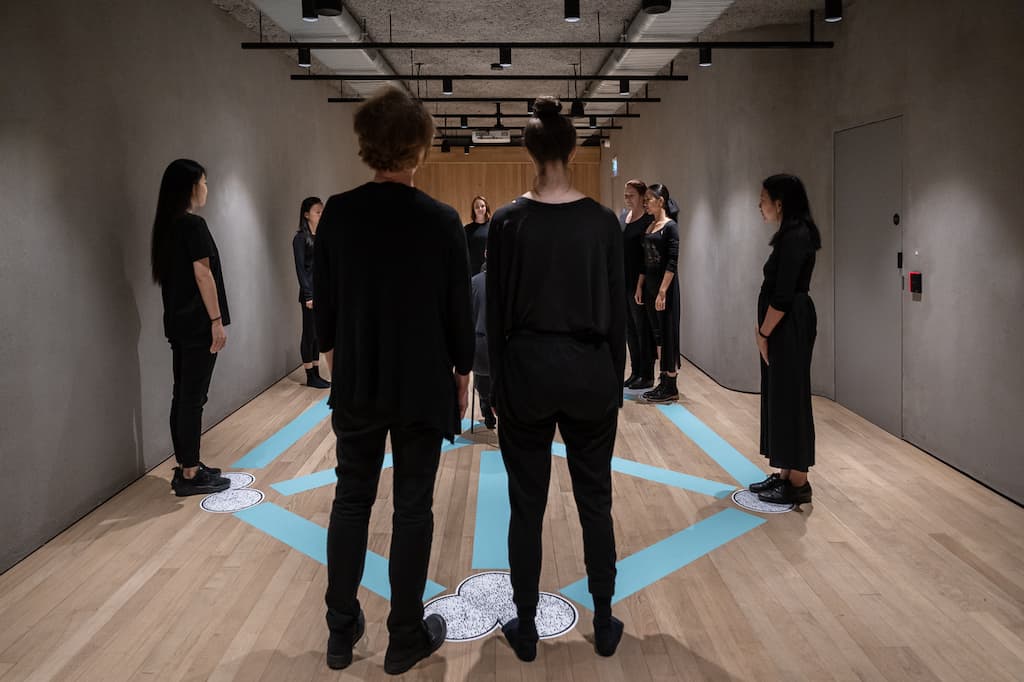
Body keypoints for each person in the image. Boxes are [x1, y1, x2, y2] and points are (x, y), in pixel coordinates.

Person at [314, 86, 474, 675]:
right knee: (413, 508)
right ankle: (404, 635)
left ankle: (339, 630)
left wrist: (334, 357)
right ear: (420, 148)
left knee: (350, 499)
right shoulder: (440, 221)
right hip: (421, 382)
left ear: (366, 145)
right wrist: (462, 373)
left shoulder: (337, 212)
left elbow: (323, 305)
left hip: (358, 379)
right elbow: (459, 311)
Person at [487, 96, 625, 662]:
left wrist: (496, 384)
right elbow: (617, 314)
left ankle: (525, 626)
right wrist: (613, 380)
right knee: (596, 500)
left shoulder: (507, 222)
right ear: (573, 150)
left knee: (527, 504)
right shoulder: (600, 222)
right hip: (591, 371)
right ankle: (605, 618)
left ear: (529, 151)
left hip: (528, 371)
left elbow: (494, 316)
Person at [150, 159, 231, 496]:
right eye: (204, 182)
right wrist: (216, 321)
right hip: (199, 324)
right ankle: (190, 473)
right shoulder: (193, 225)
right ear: (191, 187)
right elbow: (203, 274)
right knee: (193, 399)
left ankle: (188, 463)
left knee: (182, 395)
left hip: (178, 323)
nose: (206, 188)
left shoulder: (166, 226)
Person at [748, 174, 820, 505]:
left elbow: (784, 296)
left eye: (762, 199)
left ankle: (799, 482)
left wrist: (764, 332)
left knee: (792, 398)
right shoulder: (789, 234)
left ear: (779, 203)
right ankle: (785, 473)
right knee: (782, 396)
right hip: (784, 326)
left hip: (789, 326)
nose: (759, 205)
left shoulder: (797, 236)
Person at [635, 183, 681, 403]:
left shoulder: (670, 227)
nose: (646, 203)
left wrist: (663, 291)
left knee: (667, 333)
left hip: (665, 289)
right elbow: (645, 263)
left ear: (660, 201)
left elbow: (672, 262)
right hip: (651, 287)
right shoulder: (650, 226)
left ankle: (671, 385)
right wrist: (640, 286)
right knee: (657, 334)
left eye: (649, 199)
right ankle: (663, 380)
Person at [619, 180, 655, 389]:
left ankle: (647, 374)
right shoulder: (625, 218)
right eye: (626, 195)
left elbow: (645, 258)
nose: (628, 199)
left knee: (642, 329)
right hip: (624, 282)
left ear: (642, 197)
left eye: (631, 195)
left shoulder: (648, 220)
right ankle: (635, 371)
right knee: (629, 330)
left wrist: (640, 286)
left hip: (638, 284)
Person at [293, 196, 331, 389]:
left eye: (322, 211)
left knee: (318, 334)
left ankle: (316, 371)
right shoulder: (300, 239)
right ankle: (309, 375)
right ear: (307, 214)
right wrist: (308, 295)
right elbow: (301, 269)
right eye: (318, 211)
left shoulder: (321, 237)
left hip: (322, 293)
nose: (321, 214)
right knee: (309, 333)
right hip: (310, 295)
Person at [471, 252, 496, 429]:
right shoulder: (507, 281)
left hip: (479, 348)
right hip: (502, 350)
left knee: (481, 378)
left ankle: (485, 405)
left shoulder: (473, 282)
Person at [465, 195, 491, 275]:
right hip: (473, 270)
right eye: (477, 207)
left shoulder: (493, 226)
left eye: (482, 206)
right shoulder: (467, 229)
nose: (480, 209)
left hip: (490, 268)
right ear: (473, 210)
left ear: (486, 207)